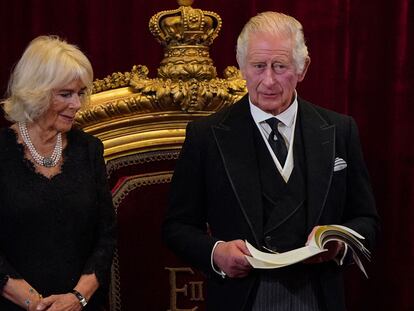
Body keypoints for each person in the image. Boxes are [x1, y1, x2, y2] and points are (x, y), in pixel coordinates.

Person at [163, 11, 379, 311]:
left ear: (303, 68)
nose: (268, 80)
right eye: (258, 66)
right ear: (241, 67)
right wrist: (216, 252)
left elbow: (366, 220)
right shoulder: (206, 136)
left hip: (317, 294)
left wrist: (338, 244)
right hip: (242, 296)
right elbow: (177, 226)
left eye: (280, 67)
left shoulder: (340, 130)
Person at [0, 36, 116, 311]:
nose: (77, 104)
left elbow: (106, 235)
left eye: (80, 93)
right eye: (65, 94)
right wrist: (34, 303)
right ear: (35, 92)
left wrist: (77, 298)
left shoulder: (89, 149)